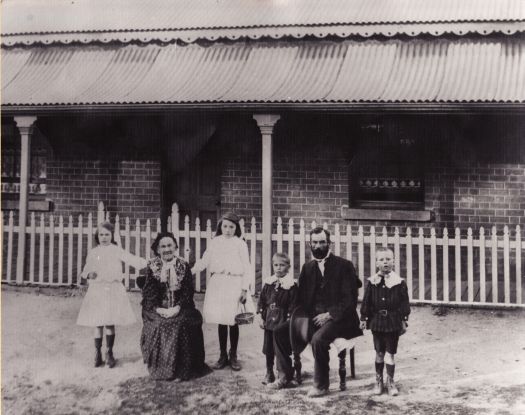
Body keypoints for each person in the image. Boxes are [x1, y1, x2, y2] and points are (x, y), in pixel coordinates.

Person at [273, 226, 363, 397]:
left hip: (340, 318)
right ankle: (286, 377)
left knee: (318, 339)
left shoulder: (344, 266)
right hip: (314, 317)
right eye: (315, 242)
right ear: (310, 244)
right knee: (279, 332)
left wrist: (329, 314)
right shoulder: (308, 268)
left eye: (322, 242)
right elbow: (299, 299)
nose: (318, 246)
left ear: (329, 243)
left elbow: (350, 299)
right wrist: (292, 311)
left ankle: (321, 385)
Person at [137, 232, 208, 381]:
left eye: (170, 245)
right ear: (157, 249)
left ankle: (182, 370)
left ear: (175, 246)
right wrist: (159, 309)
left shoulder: (183, 265)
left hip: (182, 307)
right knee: (160, 324)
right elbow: (149, 293)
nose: (167, 249)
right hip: (156, 308)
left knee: (180, 323)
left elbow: (188, 291)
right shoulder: (152, 266)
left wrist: (177, 308)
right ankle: (162, 368)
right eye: (163, 246)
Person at [77, 221, 147, 368]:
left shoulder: (116, 250)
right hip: (97, 290)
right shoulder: (94, 252)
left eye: (107, 234)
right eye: (101, 234)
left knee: (109, 322)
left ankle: (109, 352)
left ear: (112, 236)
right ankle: (97, 353)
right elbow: (85, 271)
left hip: (113, 289)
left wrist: (146, 263)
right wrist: (89, 274)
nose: (104, 237)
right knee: (98, 323)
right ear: (97, 236)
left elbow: (131, 258)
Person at [191, 212, 253, 371]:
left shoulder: (240, 244)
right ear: (220, 227)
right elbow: (205, 260)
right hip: (218, 283)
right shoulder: (215, 242)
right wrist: (189, 271)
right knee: (221, 320)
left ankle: (233, 355)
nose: (227, 230)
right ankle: (222, 355)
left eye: (231, 227)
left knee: (233, 321)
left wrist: (244, 289)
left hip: (234, 283)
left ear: (236, 228)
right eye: (225, 226)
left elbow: (247, 267)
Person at [360, 247, 410, 396]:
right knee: (379, 352)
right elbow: (366, 302)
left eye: (388, 259)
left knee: (390, 353)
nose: (385, 262)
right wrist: (364, 318)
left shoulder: (399, 282)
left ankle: (391, 381)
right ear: (376, 263)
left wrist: (404, 319)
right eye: (381, 259)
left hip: (393, 322)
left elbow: (404, 303)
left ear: (393, 261)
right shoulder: (372, 282)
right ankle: (378, 381)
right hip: (377, 323)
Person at [257, 252, 298, 386]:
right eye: (276, 265)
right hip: (269, 321)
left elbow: (293, 305)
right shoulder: (269, 283)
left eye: (282, 265)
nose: (279, 268)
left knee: (283, 348)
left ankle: (286, 373)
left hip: (283, 322)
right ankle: (269, 373)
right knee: (269, 348)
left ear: (288, 267)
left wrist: (289, 319)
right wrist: (260, 316)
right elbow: (262, 301)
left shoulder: (291, 285)